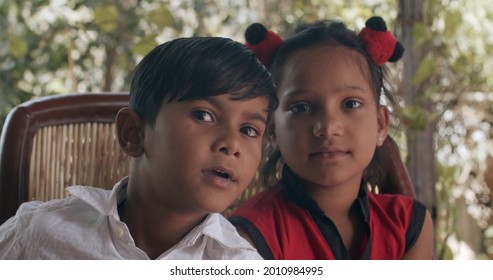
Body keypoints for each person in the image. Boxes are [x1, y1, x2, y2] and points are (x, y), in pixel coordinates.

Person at [0, 37, 278, 259]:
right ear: (133, 133)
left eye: (249, 130)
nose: (231, 144)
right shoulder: (39, 232)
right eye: (203, 115)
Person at [230, 17, 434, 260]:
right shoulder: (247, 238)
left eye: (350, 104)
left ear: (380, 125)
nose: (327, 127)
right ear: (272, 129)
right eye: (302, 107)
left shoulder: (410, 226)